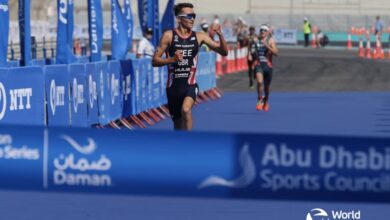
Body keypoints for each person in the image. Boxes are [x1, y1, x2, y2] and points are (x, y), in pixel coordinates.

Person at [152, 3, 228, 131]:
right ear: (179, 18)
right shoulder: (168, 36)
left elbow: (224, 52)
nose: (192, 19)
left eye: (194, 16)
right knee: (177, 126)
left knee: (186, 110)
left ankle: (190, 142)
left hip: (190, 86)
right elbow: (154, 61)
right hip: (173, 88)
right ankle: (180, 148)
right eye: (189, 16)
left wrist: (220, 36)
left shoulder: (199, 36)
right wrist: (171, 59)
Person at [251, 24, 278, 112]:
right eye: (261, 30)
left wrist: (266, 45)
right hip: (259, 64)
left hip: (268, 66)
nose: (262, 31)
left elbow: (276, 53)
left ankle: (266, 101)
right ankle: (260, 99)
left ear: (267, 32)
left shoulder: (270, 41)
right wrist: (249, 54)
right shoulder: (256, 40)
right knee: (259, 81)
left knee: (266, 87)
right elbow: (250, 47)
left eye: (264, 30)